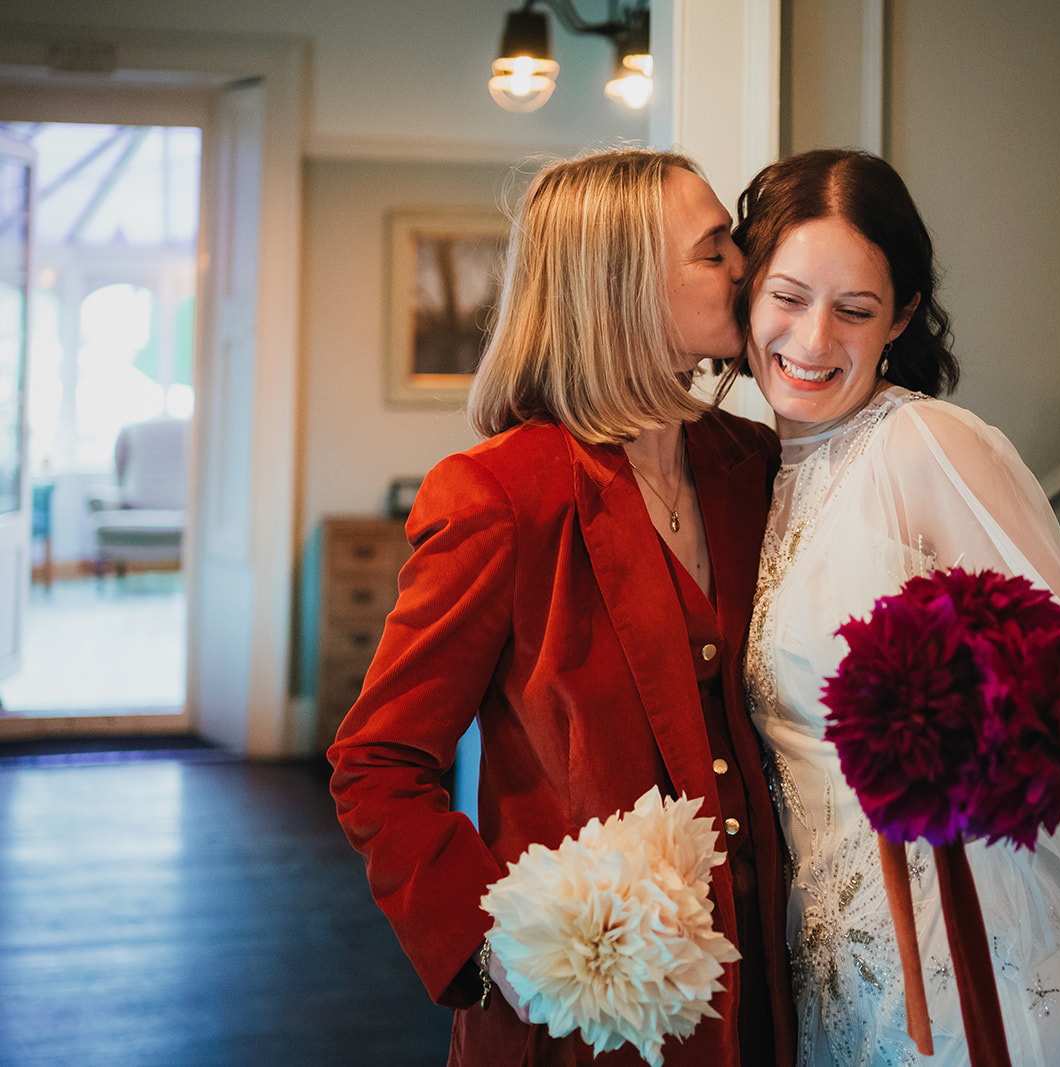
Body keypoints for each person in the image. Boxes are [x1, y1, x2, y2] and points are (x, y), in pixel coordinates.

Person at [727, 149, 1060, 1067]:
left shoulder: (927, 445)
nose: (814, 337)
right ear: (747, 291)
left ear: (902, 316)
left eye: (856, 309)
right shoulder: (749, 475)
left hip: (953, 958)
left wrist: (959, 725)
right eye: (788, 297)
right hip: (820, 963)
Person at [328, 149, 796, 1067]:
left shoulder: (755, 465)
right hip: (584, 1028)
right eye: (714, 250)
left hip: (764, 1002)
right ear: (624, 287)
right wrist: (496, 946)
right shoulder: (500, 495)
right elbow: (376, 760)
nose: (746, 266)